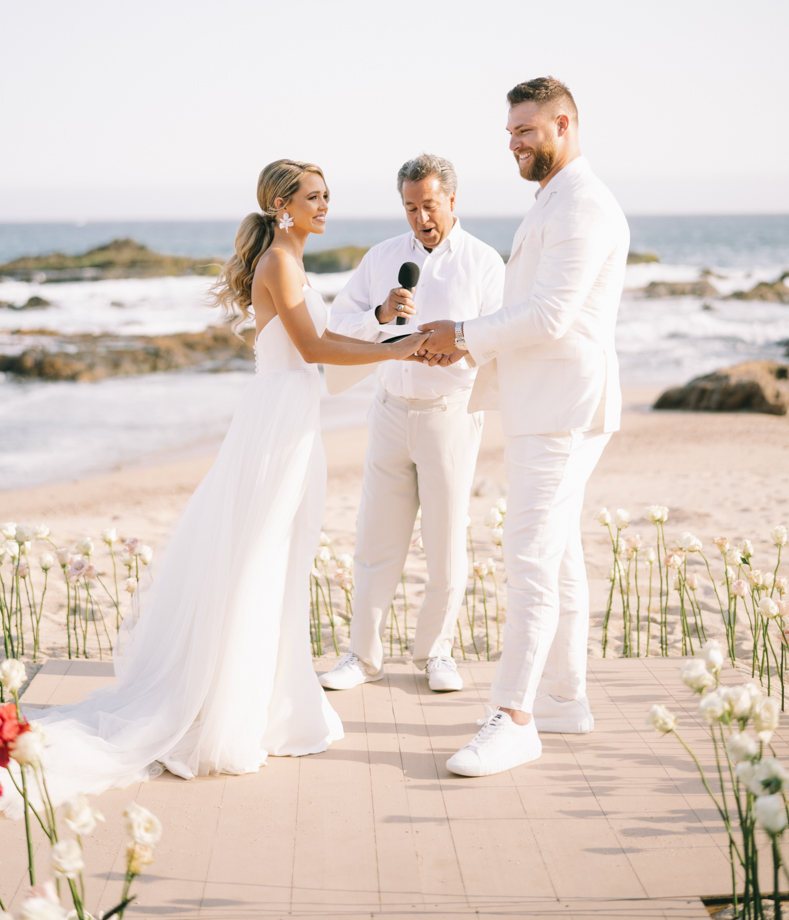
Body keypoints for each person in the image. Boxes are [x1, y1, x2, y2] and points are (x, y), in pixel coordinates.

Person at [0, 159, 424, 816]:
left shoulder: (290, 259)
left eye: (327, 195)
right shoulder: (281, 262)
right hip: (279, 421)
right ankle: (240, 711)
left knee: (280, 563)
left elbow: (317, 338)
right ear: (282, 205)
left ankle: (268, 703)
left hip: (289, 417)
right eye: (313, 197)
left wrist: (377, 318)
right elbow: (314, 347)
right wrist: (394, 348)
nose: (325, 205)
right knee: (259, 562)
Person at [417, 79, 630, 776]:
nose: (513, 142)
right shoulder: (556, 200)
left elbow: (550, 315)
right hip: (548, 402)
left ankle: (514, 716)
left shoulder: (584, 207)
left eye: (526, 131)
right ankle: (566, 699)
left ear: (563, 125)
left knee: (529, 556)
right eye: (510, 131)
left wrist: (464, 334)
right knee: (558, 553)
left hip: (565, 407)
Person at [318, 155, 504, 694]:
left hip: (450, 414)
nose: (420, 217)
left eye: (429, 205)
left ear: (451, 201)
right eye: (410, 207)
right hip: (389, 410)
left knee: (446, 542)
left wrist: (460, 348)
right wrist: (380, 314)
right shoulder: (381, 258)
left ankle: (436, 654)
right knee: (375, 541)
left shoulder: (485, 262)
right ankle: (361, 657)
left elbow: (500, 335)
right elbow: (337, 322)